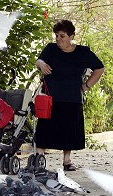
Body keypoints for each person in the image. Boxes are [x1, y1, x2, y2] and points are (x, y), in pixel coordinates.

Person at [35, 20, 105, 171]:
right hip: (51, 98)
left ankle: (67, 161)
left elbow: (99, 68)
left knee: (69, 130)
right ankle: (38, 159)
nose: (58, 39)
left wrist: (87, 85)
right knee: (44, 129)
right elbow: (39, 60)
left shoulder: (83, 52)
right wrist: (41, 65)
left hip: (72, 98)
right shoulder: (51, 49)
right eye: (57, 36)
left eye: (62, 36)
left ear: (72, 36)